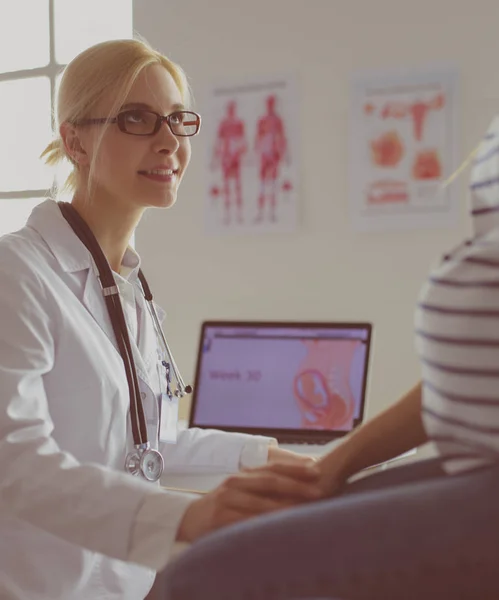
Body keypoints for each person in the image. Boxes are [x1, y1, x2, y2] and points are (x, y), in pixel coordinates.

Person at [0, 39, 322, 600]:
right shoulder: (16, 274)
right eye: (137, 118)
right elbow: (15, 463)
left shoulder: (126, 287)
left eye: (177, 119)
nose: (169, 140)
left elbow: (146, 446)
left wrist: (264, 459)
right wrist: (184, 520)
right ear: (74, 140)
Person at [158, 118, 499, 599]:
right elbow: (457, 389)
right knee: (270, 526)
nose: (169, 139)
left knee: (195, 579)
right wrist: (328, 467)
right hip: (475, 463)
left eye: (177, 119)